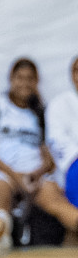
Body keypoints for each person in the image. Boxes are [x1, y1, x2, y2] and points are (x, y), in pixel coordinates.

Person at [0, 58, 78, 241]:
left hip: (34, 173)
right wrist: (15, 175)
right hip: (3, 170)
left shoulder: (39, 111)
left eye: (29, 79)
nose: (24, 83)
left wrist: (37, 173)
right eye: (20, 78)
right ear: (11, 79)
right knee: (1, 201)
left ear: (36, 82)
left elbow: (48, 157)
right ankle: (0, 240)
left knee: (59, 204)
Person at [46, 56, 78, 205]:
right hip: (72, 166)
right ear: (72, 74)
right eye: (77, 71)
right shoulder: (59, 104)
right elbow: (57, 141)